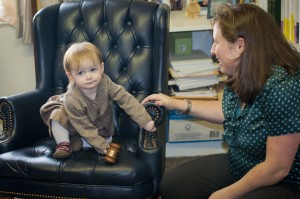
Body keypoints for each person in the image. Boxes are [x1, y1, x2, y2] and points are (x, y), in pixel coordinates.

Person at [142, 3, 300, 199]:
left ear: (240, 46)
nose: (212, 50)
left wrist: (226, 194)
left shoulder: (283, 86)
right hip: (242, 164)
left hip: (283, 181)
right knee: (172, 186)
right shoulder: (245, 72)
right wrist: (177, 103)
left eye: (216, 42)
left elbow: (277, 169)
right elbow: (228, 111)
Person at [40, 41, 156, 158]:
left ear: (101, 68)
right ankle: (64, 143)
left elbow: (126, 99)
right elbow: (84, 127)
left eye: (93, 70)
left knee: (107, 139)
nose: (89, 76)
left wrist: (145, 120)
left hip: (92, 124)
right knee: (57, 114)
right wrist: (103, 148)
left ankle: (76, 141)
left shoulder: (106, 83)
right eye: (81, 73)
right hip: (70, 121)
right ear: (71, 76)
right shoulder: (72, 98)